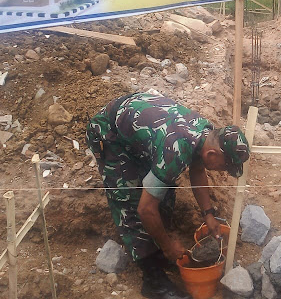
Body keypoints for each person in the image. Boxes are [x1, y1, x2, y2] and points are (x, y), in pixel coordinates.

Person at [86, 92, 250, 299]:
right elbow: (145, 209)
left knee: (163, 191)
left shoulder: (206, 133)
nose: (223, 171)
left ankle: (157, 251)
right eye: (225, 167)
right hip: (109, 134)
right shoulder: (176, 150)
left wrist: (208, 213)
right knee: (131, 202)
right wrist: (168, 245)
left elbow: (198, 169)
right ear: (213, 154)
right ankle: (153, 279)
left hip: (141, 135)